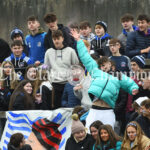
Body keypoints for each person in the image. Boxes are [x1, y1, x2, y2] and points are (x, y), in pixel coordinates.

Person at [70, 29, 139, 130]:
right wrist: (79, 41)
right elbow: (85, 57)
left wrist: (134, 88)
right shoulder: (96, 71)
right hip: (94, 110)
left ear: (110, 64)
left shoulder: (118, 75)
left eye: (105, 64)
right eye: (101, 65)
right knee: (90, 133)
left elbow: (129, 82)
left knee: (109, 137)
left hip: (108, 111)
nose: (103, 67)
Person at [44, 30, 79, 109]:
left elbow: (76, 66)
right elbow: (46, 67)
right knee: (56, 107)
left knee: (68, 107)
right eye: (54, 39)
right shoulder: (48, 52)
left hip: (68, 83)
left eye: (58, 38)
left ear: (62, 38)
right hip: (54, 84)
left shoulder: (71, 51)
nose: (56, 41)